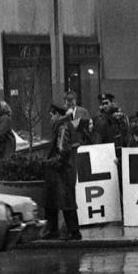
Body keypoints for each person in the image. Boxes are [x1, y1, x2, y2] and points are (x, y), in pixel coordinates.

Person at [43, 103, 82, 241]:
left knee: (65, 201)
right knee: (56, 201)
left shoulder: (63, 128)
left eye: (51, 115)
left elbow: (63, 150)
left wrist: (49, 163)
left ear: (57, 115)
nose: (50, 119)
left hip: (62, 171)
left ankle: (72, 232)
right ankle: (57, 230)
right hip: (65, 169)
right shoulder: (64, 126)